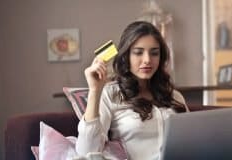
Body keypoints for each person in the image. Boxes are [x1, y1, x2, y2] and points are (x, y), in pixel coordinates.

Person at [76, 21, 189, 160]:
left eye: (154, 53)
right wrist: (94, 91)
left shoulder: (175, 96)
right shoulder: (111, 94)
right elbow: (86, 151)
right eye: (138, 53)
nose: (147, 60)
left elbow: (192, 141)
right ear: (126, 56)